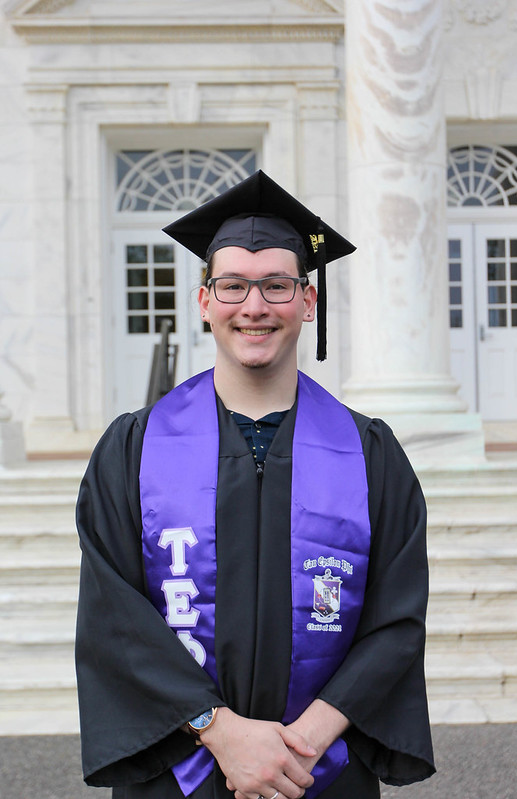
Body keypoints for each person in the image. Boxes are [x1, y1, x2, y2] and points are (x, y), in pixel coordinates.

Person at [75, 170, 435, 799]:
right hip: (179, 768)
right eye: (234, 285)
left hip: (320, 768)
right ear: (205, 301)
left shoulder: (371, 453)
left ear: (308, 300)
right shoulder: (132, 449)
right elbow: (115, 615)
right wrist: (220, 732)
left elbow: (396, 617)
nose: (255, 306)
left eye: (276, 285)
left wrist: (309, 738)